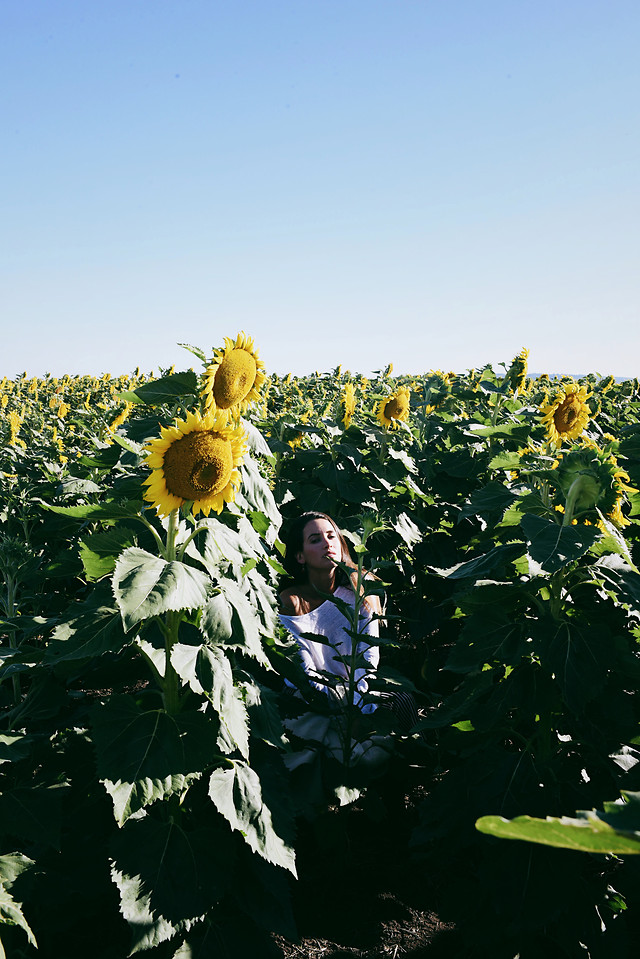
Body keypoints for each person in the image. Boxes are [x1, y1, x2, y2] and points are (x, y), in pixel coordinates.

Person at [278, 511, 383, 713]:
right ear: (300, 556)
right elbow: (303, 672)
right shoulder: (291, 601)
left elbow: (368, 661)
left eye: (331, 536)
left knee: (403, 703)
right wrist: (343, 709)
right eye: (316, 540)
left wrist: (361, 708)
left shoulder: (360, 589)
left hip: (357, 691)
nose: (327, 544)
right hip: (307, 696)